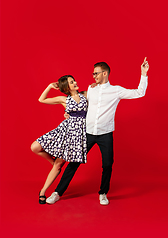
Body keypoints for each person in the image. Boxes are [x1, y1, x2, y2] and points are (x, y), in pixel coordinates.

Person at [46, 57, 149, 205]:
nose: (93, 76)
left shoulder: (116, 91)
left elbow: (139, 93)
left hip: (105, 134)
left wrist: (143, 74)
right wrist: (68, 112)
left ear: (105, 73)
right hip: (87, 132)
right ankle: (57, 193)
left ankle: (103, 193)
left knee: (108, 164)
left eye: (96, 73)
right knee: (73, 162)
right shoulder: (91, 89)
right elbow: (76, 99)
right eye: (93, 74)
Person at [31, 75, 88, 204]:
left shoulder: (85, 94)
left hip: (78, 135)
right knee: (35, 147)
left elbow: (99, 96)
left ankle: (42, 192)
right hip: (64, 131)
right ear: (67, 87)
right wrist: (50, 86)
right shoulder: (64, 99)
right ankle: (52, 162)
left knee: (59, 165)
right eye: (72, 82)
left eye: (74, 80)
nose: (75, 83)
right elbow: (41, 99)